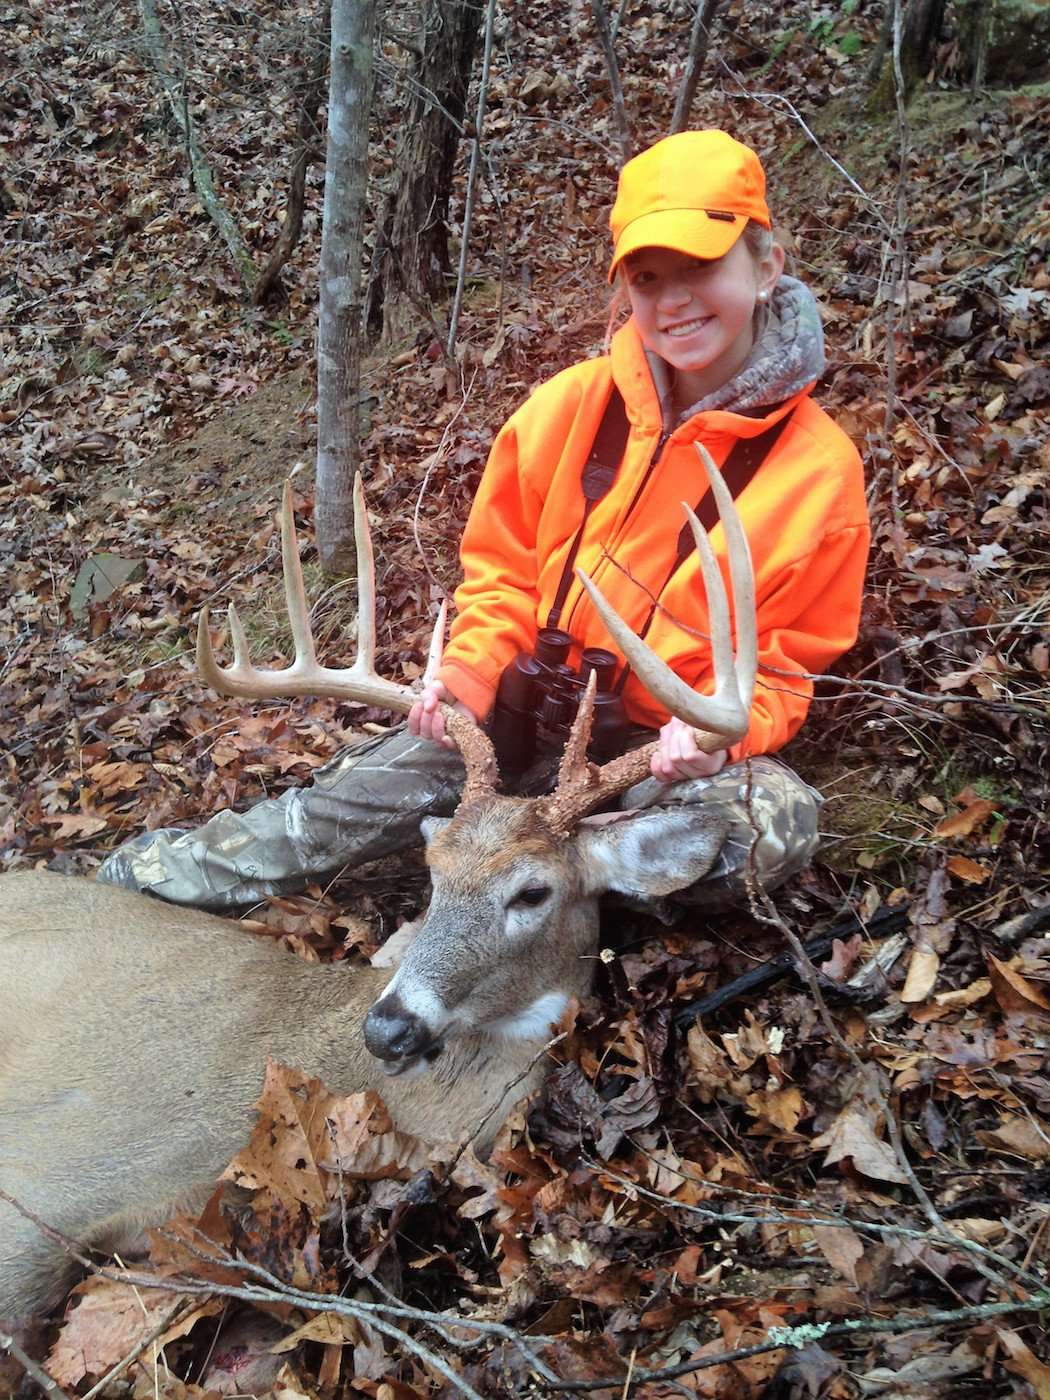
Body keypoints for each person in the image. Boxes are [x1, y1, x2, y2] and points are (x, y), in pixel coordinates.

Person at [99, 129, 870, 912]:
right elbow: (499, 577)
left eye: (701, 267)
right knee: (321, 820)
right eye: (646, 277)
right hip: (511, 722)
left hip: (653, 762)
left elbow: (782, 666)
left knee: (768, 826)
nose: (671, 301)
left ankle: (532, 898)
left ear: (766, 266)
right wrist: (465, 678)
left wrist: (714, 743)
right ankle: (138, 885)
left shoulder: (818, 471)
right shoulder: (566, 409)